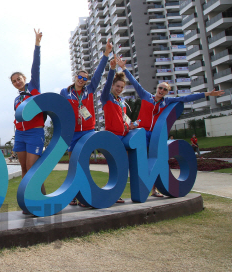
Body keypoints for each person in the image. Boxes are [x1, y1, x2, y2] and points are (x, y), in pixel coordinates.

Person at [116, 56, 224, 197]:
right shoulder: (146, 96)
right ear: (157, 88)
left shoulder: (166, 102)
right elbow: (135, 83)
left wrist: (207, 94)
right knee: (138, 161)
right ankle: (138, 188)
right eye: (160, 88)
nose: (162, 90)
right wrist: (123, 68)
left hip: (155, 136)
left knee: (153, 161)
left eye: (165, 89)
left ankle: (154, 190)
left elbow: (186, 98)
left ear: (167, 92)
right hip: (141, 133)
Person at [60, 38, 113, 206]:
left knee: (83, 164)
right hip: (72, 133)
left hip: (88, 131)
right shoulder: (65, 92)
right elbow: (60, 111)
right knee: (73, 165)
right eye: (79, 77)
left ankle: (84, 196)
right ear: (75, 77)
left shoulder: (89, 90)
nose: (81, 80)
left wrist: (106, 53)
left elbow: (98, 74)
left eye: (84, 78)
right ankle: (74, 195)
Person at [11, 29, 46, 203]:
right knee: (24, 168)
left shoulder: (33, 87)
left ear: (24, 78)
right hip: (20, 135)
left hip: (35, 133)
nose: (17, 81)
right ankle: (29, 201)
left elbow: (36, 66)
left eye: (19, 78)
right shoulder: (17, 98)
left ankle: (42, 199)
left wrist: (37, 44)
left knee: (33, 167)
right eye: (14, 81)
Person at [100, 56, 137, 204]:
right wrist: (112, 69)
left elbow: (124, 117)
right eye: (117, 86)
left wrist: (131, 124)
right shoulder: (106, 98)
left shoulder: (122, 101)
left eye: (122, 87)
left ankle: (118, 193)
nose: (120, 89)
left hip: (125, 136)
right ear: (113, 85)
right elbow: (108, 83)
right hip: (113, 136)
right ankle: (113, 193)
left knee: (123, 166)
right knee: (114, 166)